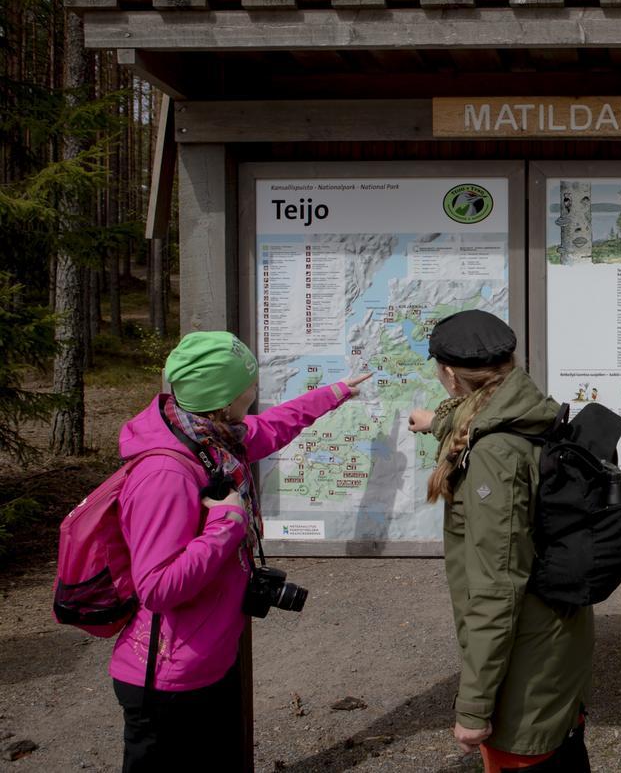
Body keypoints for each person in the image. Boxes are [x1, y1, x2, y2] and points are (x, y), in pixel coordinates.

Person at [111, 331, 368, 772]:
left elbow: (272, 426)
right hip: (168, 679)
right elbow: (156, 587)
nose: (256, 391)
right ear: (227, 397)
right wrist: (227, 524)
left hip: (206, 657)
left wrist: (334, 393)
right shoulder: (165, 473)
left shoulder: (213, 440)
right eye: (250, 383)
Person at [408, 310, 592, 772]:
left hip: (526, 659)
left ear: (450, 375)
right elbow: (484, 426)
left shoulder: (494, 456)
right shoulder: (529, 411)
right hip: (555, 638)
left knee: (531, 754)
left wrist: (473, 709)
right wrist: (435, 423)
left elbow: (497, 587)